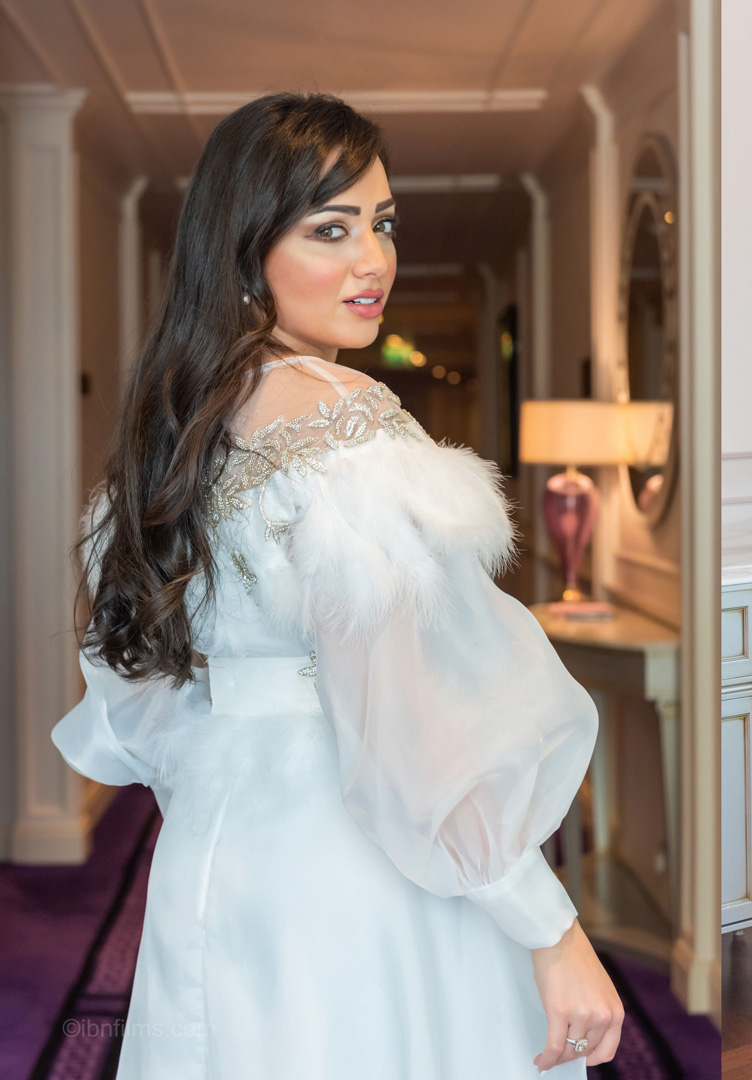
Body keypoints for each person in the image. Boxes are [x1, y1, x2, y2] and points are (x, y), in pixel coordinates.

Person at [50, 92, 624, 1077]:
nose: (374, 260)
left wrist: (235, 765)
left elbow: (144, 696)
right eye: (330, 229)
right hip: (353, 857)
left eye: (381, 223)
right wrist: (550, 926)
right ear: (246, 254)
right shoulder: (347, 424)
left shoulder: (178, 425)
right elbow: (409, 717)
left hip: (217, 847)